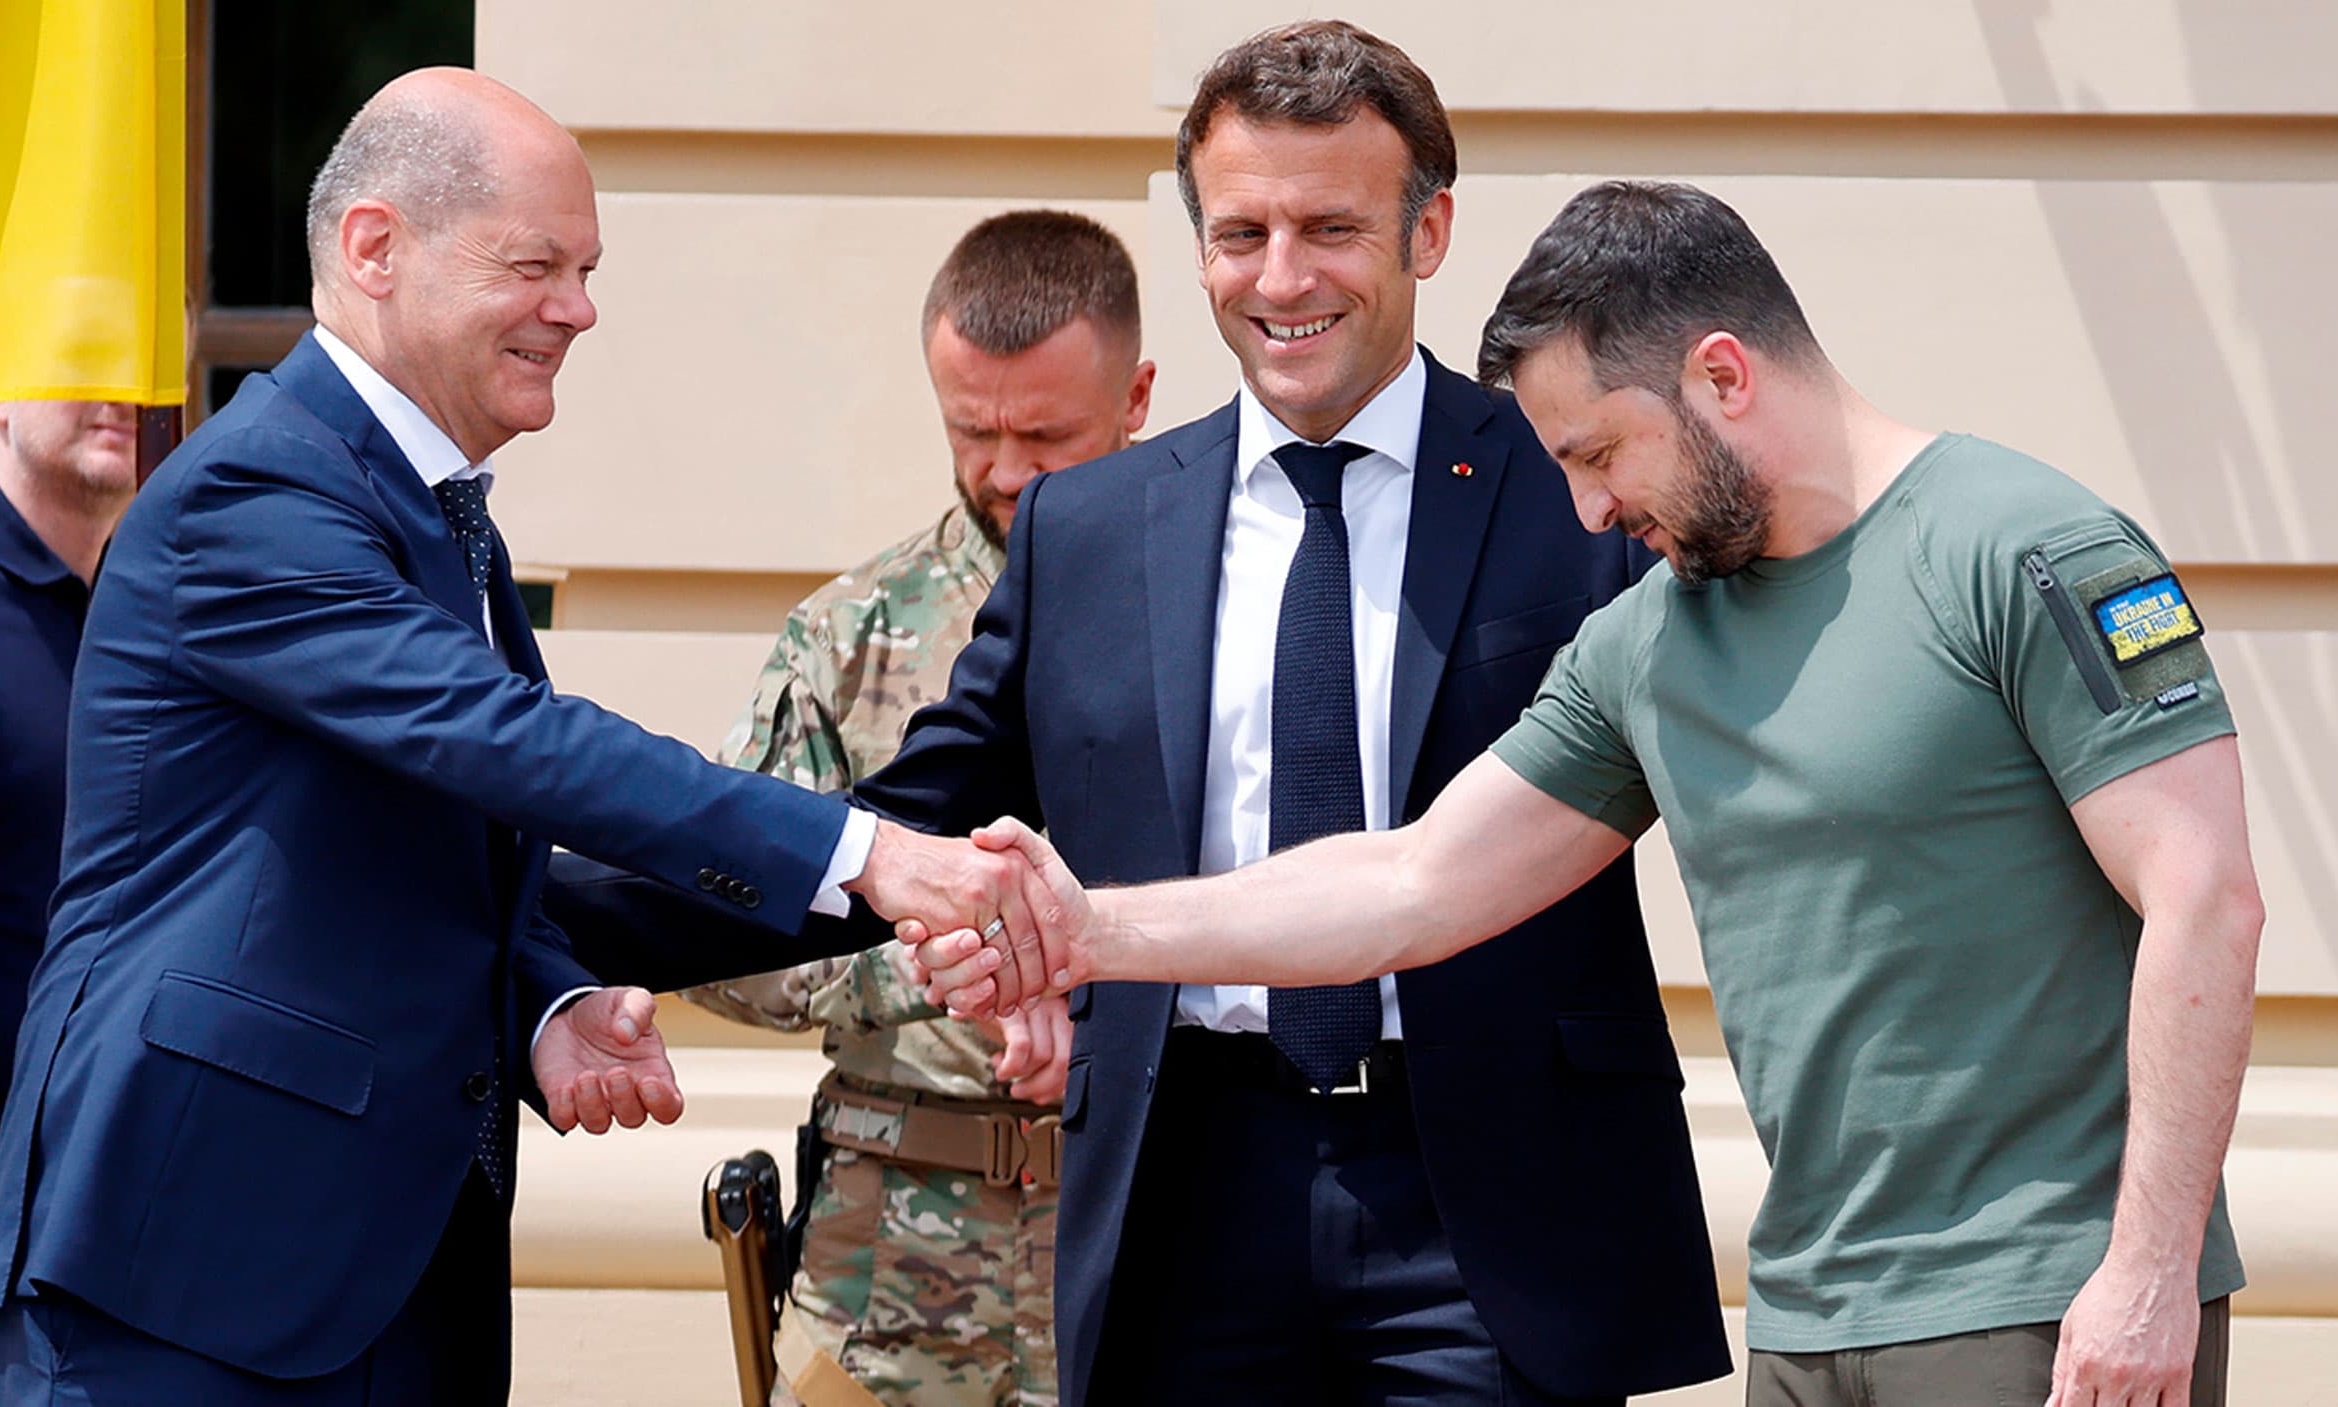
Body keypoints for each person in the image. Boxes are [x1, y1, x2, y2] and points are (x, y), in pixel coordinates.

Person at [921, 180, 2263, 1407]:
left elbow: (2206, 895)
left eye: (1599, 454)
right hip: (1808, 1311)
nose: (1586, 513)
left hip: (2045, 1301)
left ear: (1720, 376)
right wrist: (1095, 930)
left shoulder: (2023, 546)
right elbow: (1412, 880)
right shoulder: (1652, 639)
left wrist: (2147, 1268)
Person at [553, 22, 1730, 1406]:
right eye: (1240, 232)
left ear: (1430, 233)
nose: (1279, 277)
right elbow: (892, 834)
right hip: (1183, 1190)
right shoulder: (1090, 525)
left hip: (1497, 1209)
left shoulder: (1574, 490)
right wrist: (547, 915)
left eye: (1329, 227)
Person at [0, 68, 1045, 1406]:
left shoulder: (424, 509)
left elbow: (420, 835)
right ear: (374, 247)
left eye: (585, 269)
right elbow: (505, 738)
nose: (578, 309)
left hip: (370, 1279)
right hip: (184, 1272)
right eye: (536, 265)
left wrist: (544, 1001)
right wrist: (872, 852)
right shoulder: (253, 490)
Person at [682, 209, 1152, 1407]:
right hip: (886, 1248)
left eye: (1045, 435)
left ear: (1137, 396)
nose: (1003, 471)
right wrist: (937, 968)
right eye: (971, 430)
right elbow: (715, 933)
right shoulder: (849, 638)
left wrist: (1099, 986)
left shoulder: (1223, 621)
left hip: (1146, 1223)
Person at [0, 399, 140, 1405]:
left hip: (102, 1207)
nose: (121, 395)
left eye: (136, 363)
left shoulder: (148, 612)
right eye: (80, 360)